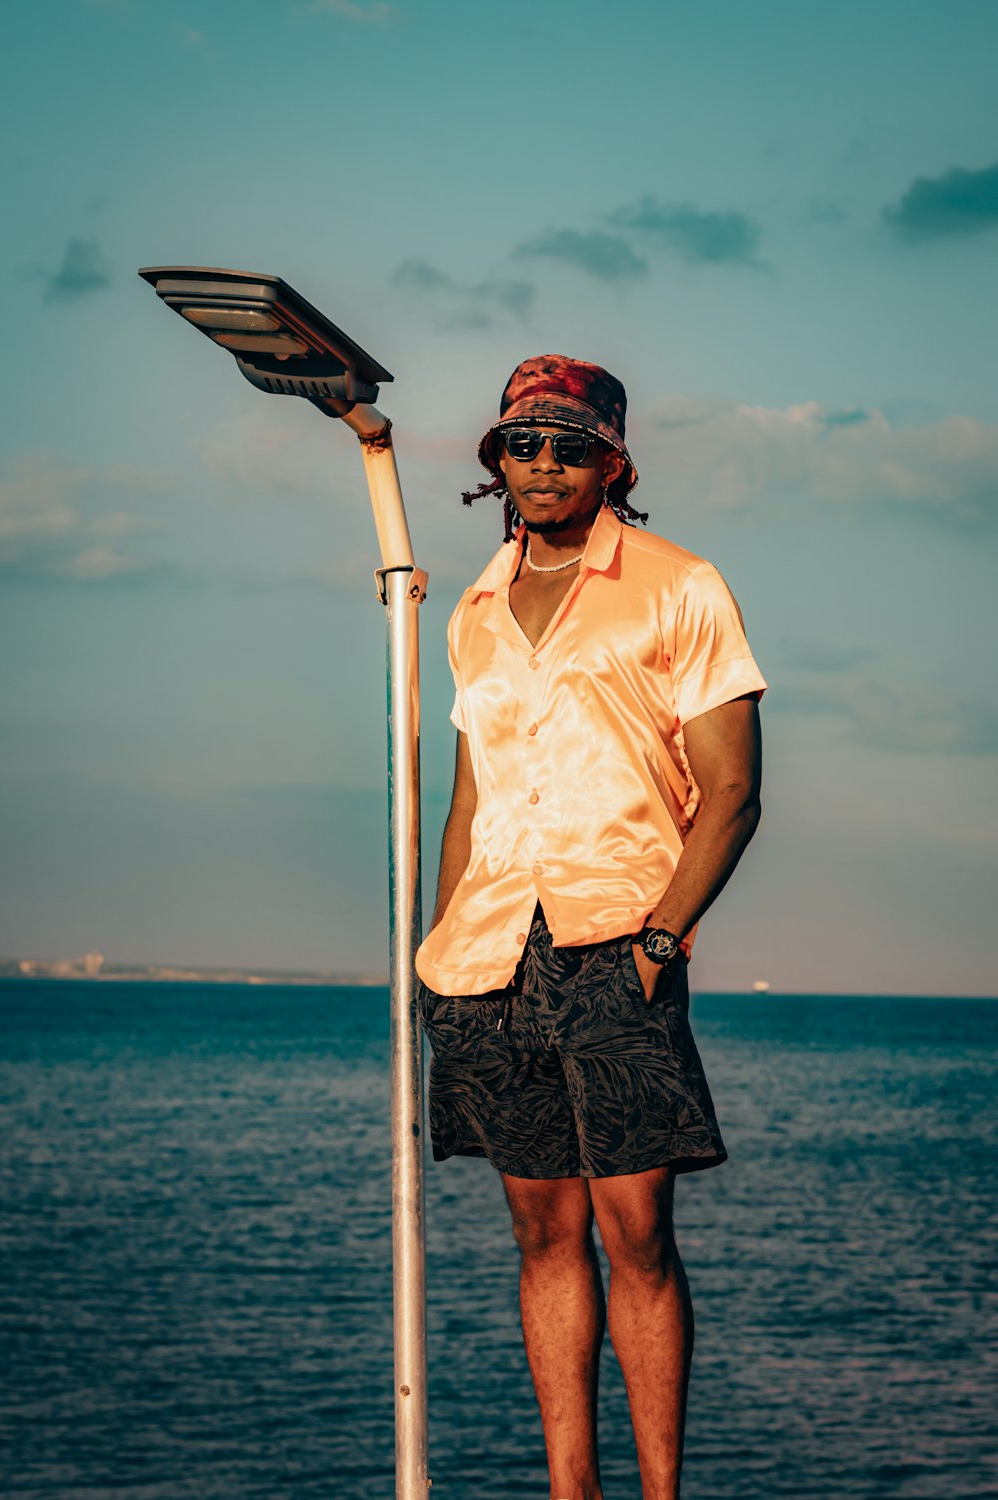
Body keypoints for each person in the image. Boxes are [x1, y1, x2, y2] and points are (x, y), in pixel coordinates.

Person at [415, 355, 766, 1500]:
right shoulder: (470, 608)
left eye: (570, 445)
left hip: (616, 942)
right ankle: (573, 1489)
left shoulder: (679, 585)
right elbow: (469, 802)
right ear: (495, 462)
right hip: (483, 960)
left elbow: (732, 791)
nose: (545, 464)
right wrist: (438, 950)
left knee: (636, 1238)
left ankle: (658, 1492)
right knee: (542, 1240)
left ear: (611, 459)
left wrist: (662, 940)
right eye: (524, 444)